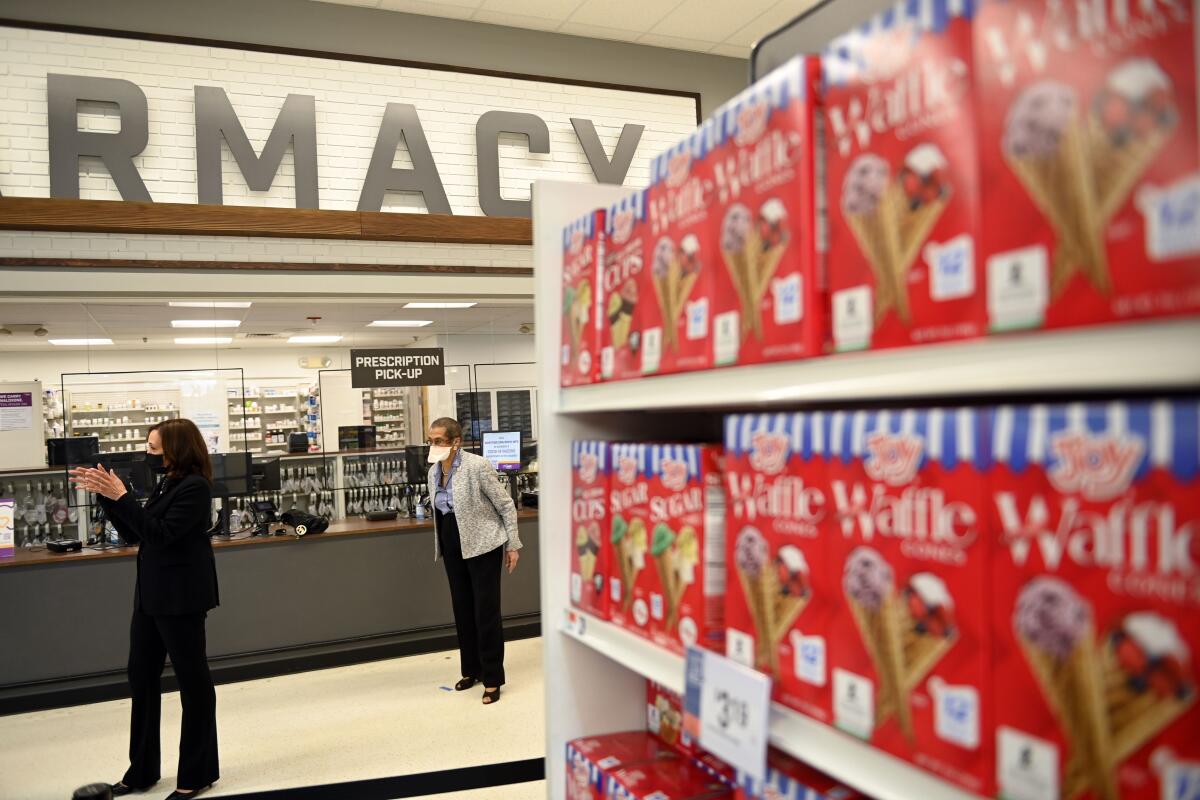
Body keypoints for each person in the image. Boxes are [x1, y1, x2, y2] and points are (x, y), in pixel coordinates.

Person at [70, 419, 220, 799]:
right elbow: (138, 532)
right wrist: (108, 497)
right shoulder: (167, 483)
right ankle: (142, 771)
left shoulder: (195, 488)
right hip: (152, 597)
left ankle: (197, 772)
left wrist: (123, 497)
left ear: (177, 449)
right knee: (141, 677)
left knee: (193, 683)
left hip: (181, 599)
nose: (147, 455)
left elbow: (161, 535)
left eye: (154, 449)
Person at [426, 417, 522, 705]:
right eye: (431, 440)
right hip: (451, 541)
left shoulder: (477, 466)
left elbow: (505, 504)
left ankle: (492, 679)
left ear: (456, 441)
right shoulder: (433, 471)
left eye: (439, 440)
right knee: (463, 609)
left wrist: (513, 544)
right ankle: (472, 670)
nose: (433, 445)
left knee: (485, 611)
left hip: (483, 543)